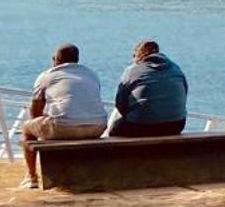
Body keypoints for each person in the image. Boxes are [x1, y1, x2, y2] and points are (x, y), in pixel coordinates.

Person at [19, 43, 107, 189]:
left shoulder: (47, 76)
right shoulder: (91, 74)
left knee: (27, 128)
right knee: (71, 122)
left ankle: (32, 177)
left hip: (63, 127)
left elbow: (35, 112)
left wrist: (42, 126)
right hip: (98, 126)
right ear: (77, 59)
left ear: (55, 59)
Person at [112, 39, 188, 139]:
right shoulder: (175, 68)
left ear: (138, 55)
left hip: (141, 125)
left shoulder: (132, 70)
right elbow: (184, 93)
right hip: (176, 125)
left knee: (114, 129)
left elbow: (120, 103)